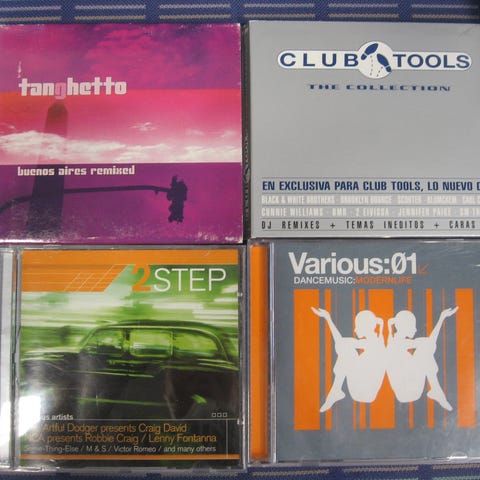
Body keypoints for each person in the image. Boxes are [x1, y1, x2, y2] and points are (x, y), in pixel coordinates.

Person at [311, 307, 386, 412]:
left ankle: (335, 391)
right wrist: (328, 318)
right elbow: (341, 343)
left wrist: (328, 319)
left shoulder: (375, 343)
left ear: (366, 327)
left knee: (347, 352)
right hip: (363, 392)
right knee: (345, 349)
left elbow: (342, 343)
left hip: (364, 392)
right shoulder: (376, 341)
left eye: (357, 326)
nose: (355, 330)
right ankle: (335, 391)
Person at [386, 306, 458, 411]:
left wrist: (441, 318)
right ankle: (437, 391)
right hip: (407, 392)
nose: (415, 329)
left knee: (425, 350)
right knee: (424, 352)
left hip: (409, 391)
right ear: (404, 326)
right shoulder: (396, 344)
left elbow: (429, 343)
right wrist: (441, 319)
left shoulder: (395, 341)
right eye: (412, 326)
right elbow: (429, 343)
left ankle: (436, 391)